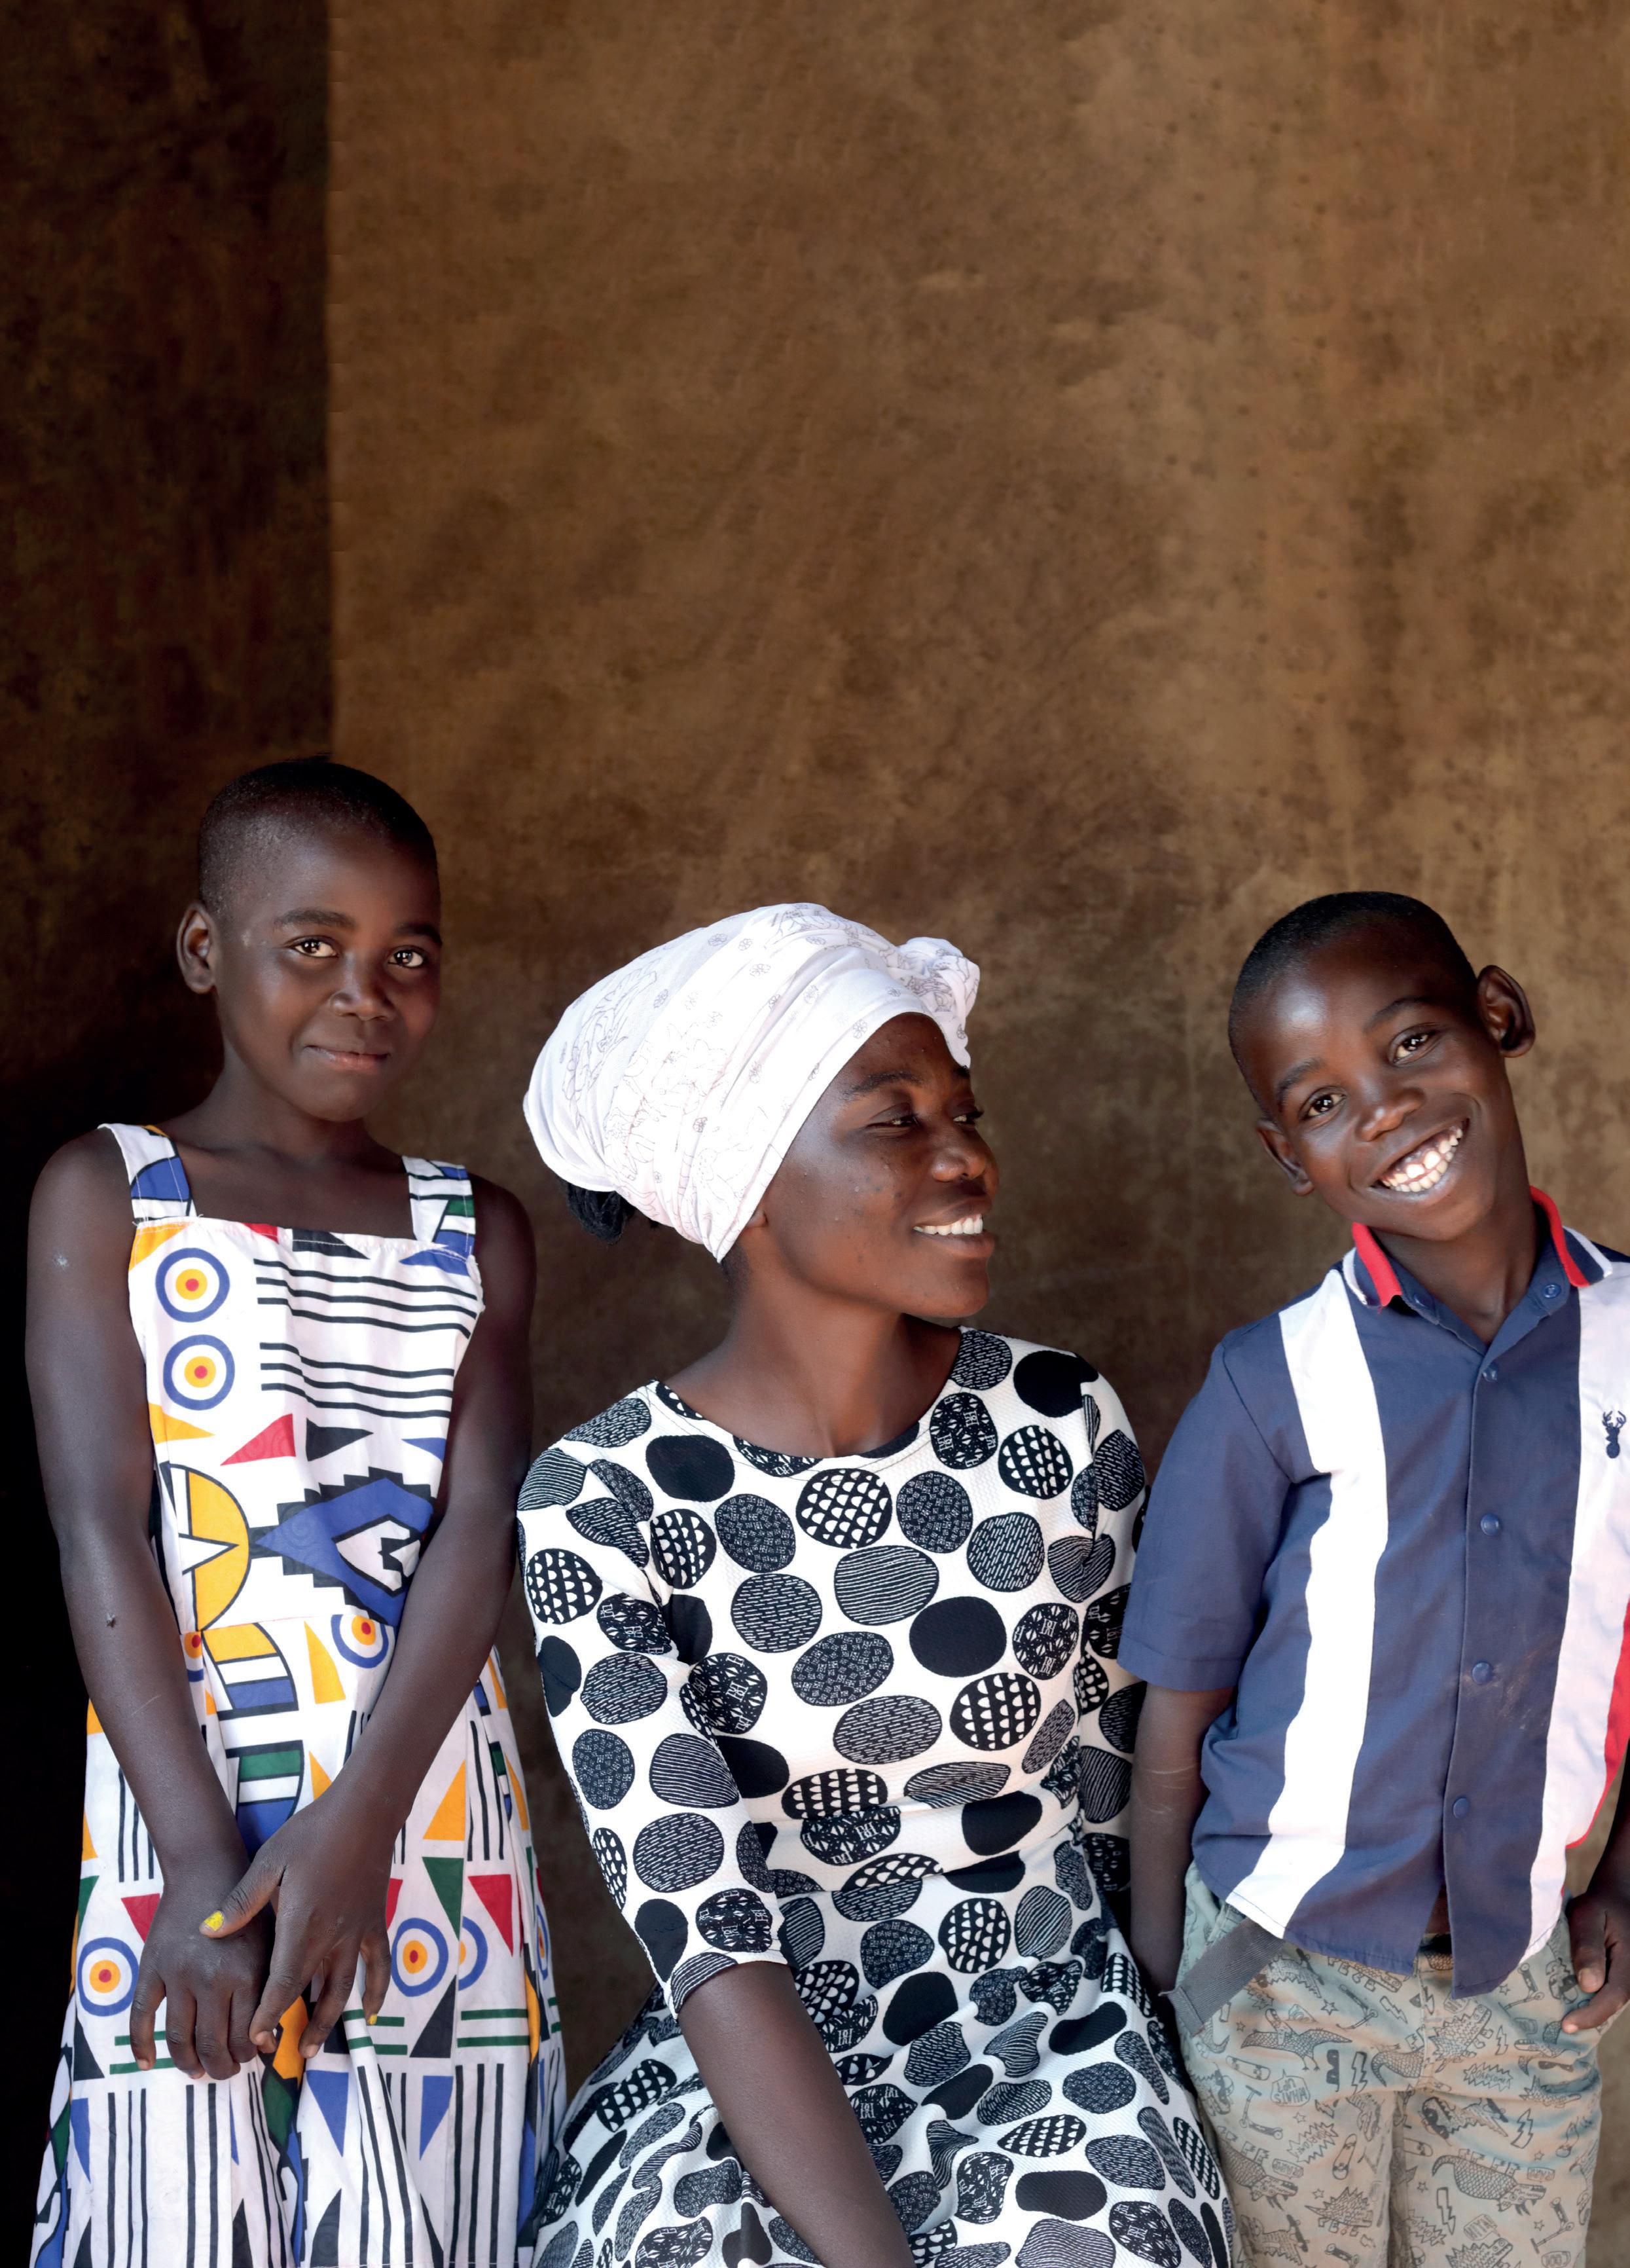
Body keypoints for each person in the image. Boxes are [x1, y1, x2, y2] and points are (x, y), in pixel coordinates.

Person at [516, 903, 1232, 2268]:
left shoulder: (1055, 1420)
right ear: (744, 1184)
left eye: (964, 1111)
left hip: (1055, 2028)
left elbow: (1124, 1779)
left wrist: (1154, 2048)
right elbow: (706, 1931)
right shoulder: (600, 1500)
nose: (968, 1157)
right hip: (758, 2068)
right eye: (894, 1122)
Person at [29, 761, 564, 2267]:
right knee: (184, 2191)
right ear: (208, 950)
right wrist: (201, 1862)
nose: (364, 994)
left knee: (439, 2191)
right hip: (186, 1796)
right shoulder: (111, 1192)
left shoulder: (474, 1229)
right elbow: (102, 1529)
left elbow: (478, 1528)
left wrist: (361, 1828)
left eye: (409, 954)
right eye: (313, 945)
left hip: (425, 1807)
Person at [1121, 890, 1630, 2268]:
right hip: (1276, 1981)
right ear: (1287, 1155)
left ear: (1497, 1015)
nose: (1388, 1108)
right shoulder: (1270, 1381)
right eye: (1324, 1101)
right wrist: (1165, 1985)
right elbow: (1177, 1713)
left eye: (1411, 1042)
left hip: (1519, 1977)